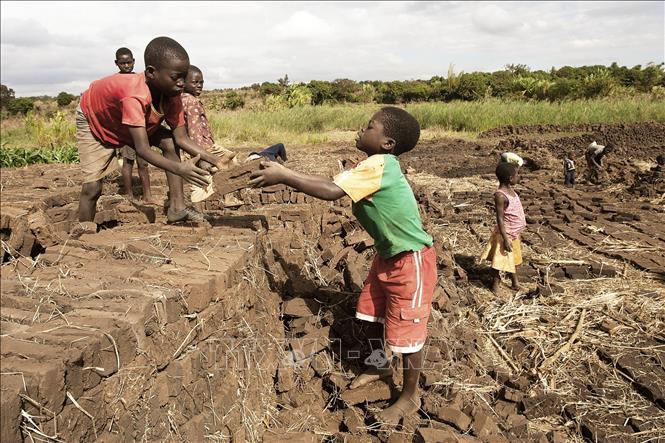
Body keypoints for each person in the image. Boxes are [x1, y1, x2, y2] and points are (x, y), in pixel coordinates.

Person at [249, 107, 436, 426]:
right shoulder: (371, 165)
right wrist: (286, 172)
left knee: (408, 334)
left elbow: (331, 192)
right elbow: (329, 182)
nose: (362, 129)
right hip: (388, 256)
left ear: (387, 143)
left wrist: (285, 176)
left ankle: (409, 396)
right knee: (373, 315)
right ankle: (379, 364)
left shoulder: (380, 165)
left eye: (370, 126)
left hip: (411, 262)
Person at [77, 36, 222, 224]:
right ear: (152, 72)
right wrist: (180, 168)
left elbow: (181, 138)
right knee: (92, 188)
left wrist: (215, 160)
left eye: (183, 76)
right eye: (175, 77)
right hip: (96, 120)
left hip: (130, 122)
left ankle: (177, 209)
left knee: (169, 142)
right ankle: (84, 231)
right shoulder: (134, 95)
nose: (181, 83)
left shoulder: (172, 94)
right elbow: (142, 149)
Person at [180, 65, 239, 203]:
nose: (199, 85)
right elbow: (194, 130)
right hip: (204, 147)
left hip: (192, 147)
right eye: (195, 82)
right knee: (227, 163)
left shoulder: (181, 99)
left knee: (202, 176)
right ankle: (221, 198)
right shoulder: (191, 101)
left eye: (201, 82)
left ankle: (217, 198)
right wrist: (202, 155)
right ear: (184, 83)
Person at [114, 47, 155, 202]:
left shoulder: (140, 79)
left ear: (134, 61)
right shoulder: (116, 81)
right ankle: (129, 194)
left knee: (143, 162)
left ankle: (147, 195)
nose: (126, 65)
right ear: (116, 63)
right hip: (125, 128)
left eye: (129, 62)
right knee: (128, 162)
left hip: (140, 126)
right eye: (122, 63)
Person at [480, 162, 526, 293]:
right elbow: (499, 218)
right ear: (510, 178)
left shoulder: (511, 191)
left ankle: (515, 283)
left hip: (514, 234)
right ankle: (495, 284)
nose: (518, 178)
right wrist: (505, 238)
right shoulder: (500, 196)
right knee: (499, 261)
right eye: (517, 175)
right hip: (505, 235)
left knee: (514, 259)